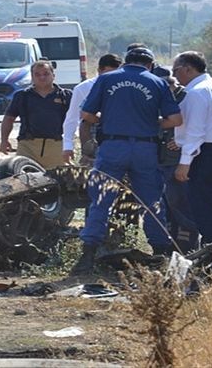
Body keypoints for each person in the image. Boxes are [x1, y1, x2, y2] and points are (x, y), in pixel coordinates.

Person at [71, 47, 182, 274]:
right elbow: (176, 119)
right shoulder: (158, 82)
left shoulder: (107, 79)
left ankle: (87, 257)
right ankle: (161, 254)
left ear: (126, 63)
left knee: (101, 200)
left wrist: (108, 119)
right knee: (151, 202)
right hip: (145, 148)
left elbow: (87, 116)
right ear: (149, 65)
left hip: (112, 147)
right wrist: (152, 123)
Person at [173, 51, 212, 246]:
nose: (174, 76)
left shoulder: (197, 92)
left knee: (204, 206)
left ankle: (211, 252)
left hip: (207, 153)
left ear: (188, 69)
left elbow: (195, 132)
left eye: (176, 71)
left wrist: (184, 163)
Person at [0, 60, 72, 169]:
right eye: (37, 74)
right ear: (32, 77)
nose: (42, 77)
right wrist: (4, 140)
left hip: (57, 146)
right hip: (28, 147)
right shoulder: (22, 96)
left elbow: (77, 119)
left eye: (46, 74)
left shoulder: (66, 96)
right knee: (24, 182)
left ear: (53, 75)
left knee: (58, 182)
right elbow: (9, 118)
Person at [158, 76, 199, 253]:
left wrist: (181, 141)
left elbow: (195, 127)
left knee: (181, 201)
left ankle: (188, 241)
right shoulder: (162, 98)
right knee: (168, 202)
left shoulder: (187, 98)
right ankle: (172, 239)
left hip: (179, 159)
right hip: (163, 158)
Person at [62, 53, 122, 165]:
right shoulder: (83, 88)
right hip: (91, 141)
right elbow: (72, 119)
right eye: (108, 74)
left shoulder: (124, 88)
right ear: (99, 70)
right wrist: (68, 146)